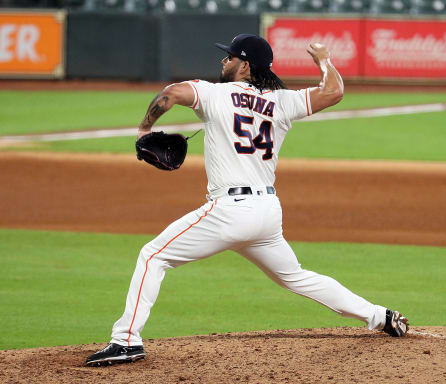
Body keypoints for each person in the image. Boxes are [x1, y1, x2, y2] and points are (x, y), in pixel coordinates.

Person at [85, 34, 408, 366]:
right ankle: (379, 316)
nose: (223, 62)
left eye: (229, 57)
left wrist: (144, 128)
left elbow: (169, 94)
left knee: (153, 256)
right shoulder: (282, 101)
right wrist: (324, 60)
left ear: (245, 65)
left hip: (230, 211)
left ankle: (125, 341)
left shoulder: (214, 93)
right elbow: (334, 92)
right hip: (267, 213)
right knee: (294, 276)